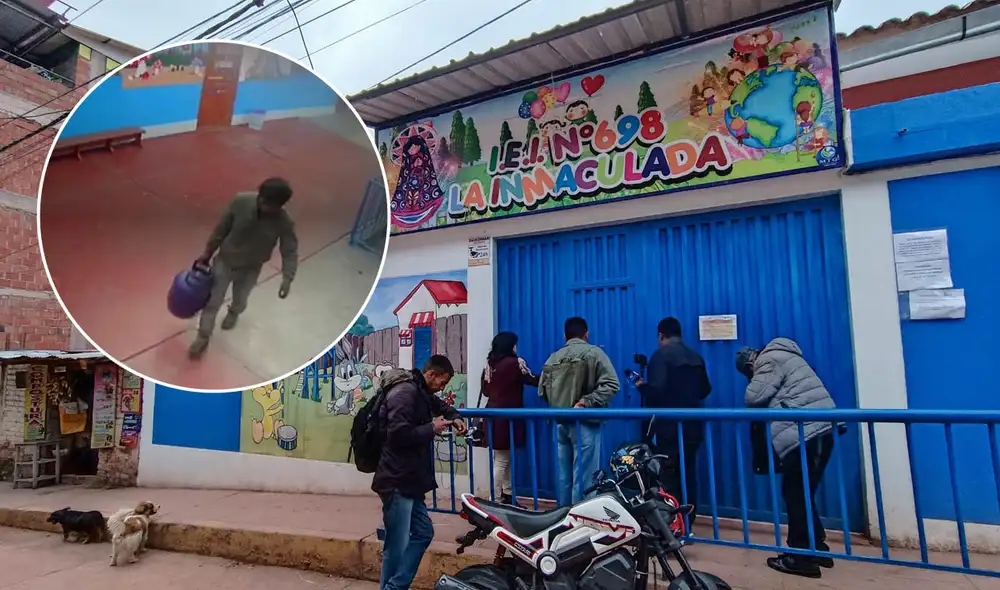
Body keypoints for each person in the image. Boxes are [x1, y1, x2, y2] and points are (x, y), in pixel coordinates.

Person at [736, 339, 837, 579]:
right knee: (801, 492)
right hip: (817, 431)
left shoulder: (768, 360)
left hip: (807, 433)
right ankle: (816, 548)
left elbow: (753, 397)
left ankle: (801, 557)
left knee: (795, 493)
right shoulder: (786, 355)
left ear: (750, 363)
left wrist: (753, 379)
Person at [373, 355, 466, 590]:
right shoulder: (405, 393)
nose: (442, 388)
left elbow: (442, 407)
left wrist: (455, 418)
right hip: (397, 480)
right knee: (397, 545)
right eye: (442, 382)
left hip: (410, 481)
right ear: (431, 374)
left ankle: (394, 586)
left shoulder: (421, 392)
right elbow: (398, 435)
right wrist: (431, 427)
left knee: (423, 533)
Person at [190, 177, 299, 359]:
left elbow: (290, 250)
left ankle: (234, 312)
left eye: (270, 205)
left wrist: (288, 278)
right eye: (262, 200)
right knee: (212, 302)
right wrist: (207, 253)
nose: (264, 206)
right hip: (225, 262)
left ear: (280, 206)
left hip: (251, 268)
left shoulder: (284, 223)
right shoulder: (240, 202)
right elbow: (221, 229)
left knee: (240, 299)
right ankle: (203, 336)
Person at [635, 317, 711, 530]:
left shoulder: (661, 356)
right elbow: (705, 389)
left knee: (668, 476)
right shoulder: (695, 357)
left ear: (661, 335)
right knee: (688, 475)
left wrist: (642, 387)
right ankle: (688, 522)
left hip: (669, 428)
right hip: (693, 427)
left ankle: (670, 526)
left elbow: (657, 392)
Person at [540, 317, 620, 506]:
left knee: (563, 476)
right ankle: (582, 519)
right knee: (585, 478)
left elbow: (542, 391)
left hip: (560, 422)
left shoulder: (554, 357)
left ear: (565, 336)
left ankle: (563, 515)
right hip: (584, 422)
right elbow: (612, 384)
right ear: (586, 334)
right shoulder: (594, 353)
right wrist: (586, 402)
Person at [481, 332, 539, 505]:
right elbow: (532, 380)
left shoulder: (490, 365)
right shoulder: (515, 363)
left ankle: (507, 495)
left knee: (503, 458)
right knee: (502, 460)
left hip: (492, 416)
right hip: (508, 419)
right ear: (510, 346)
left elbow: (485, 391)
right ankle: (496, 499)